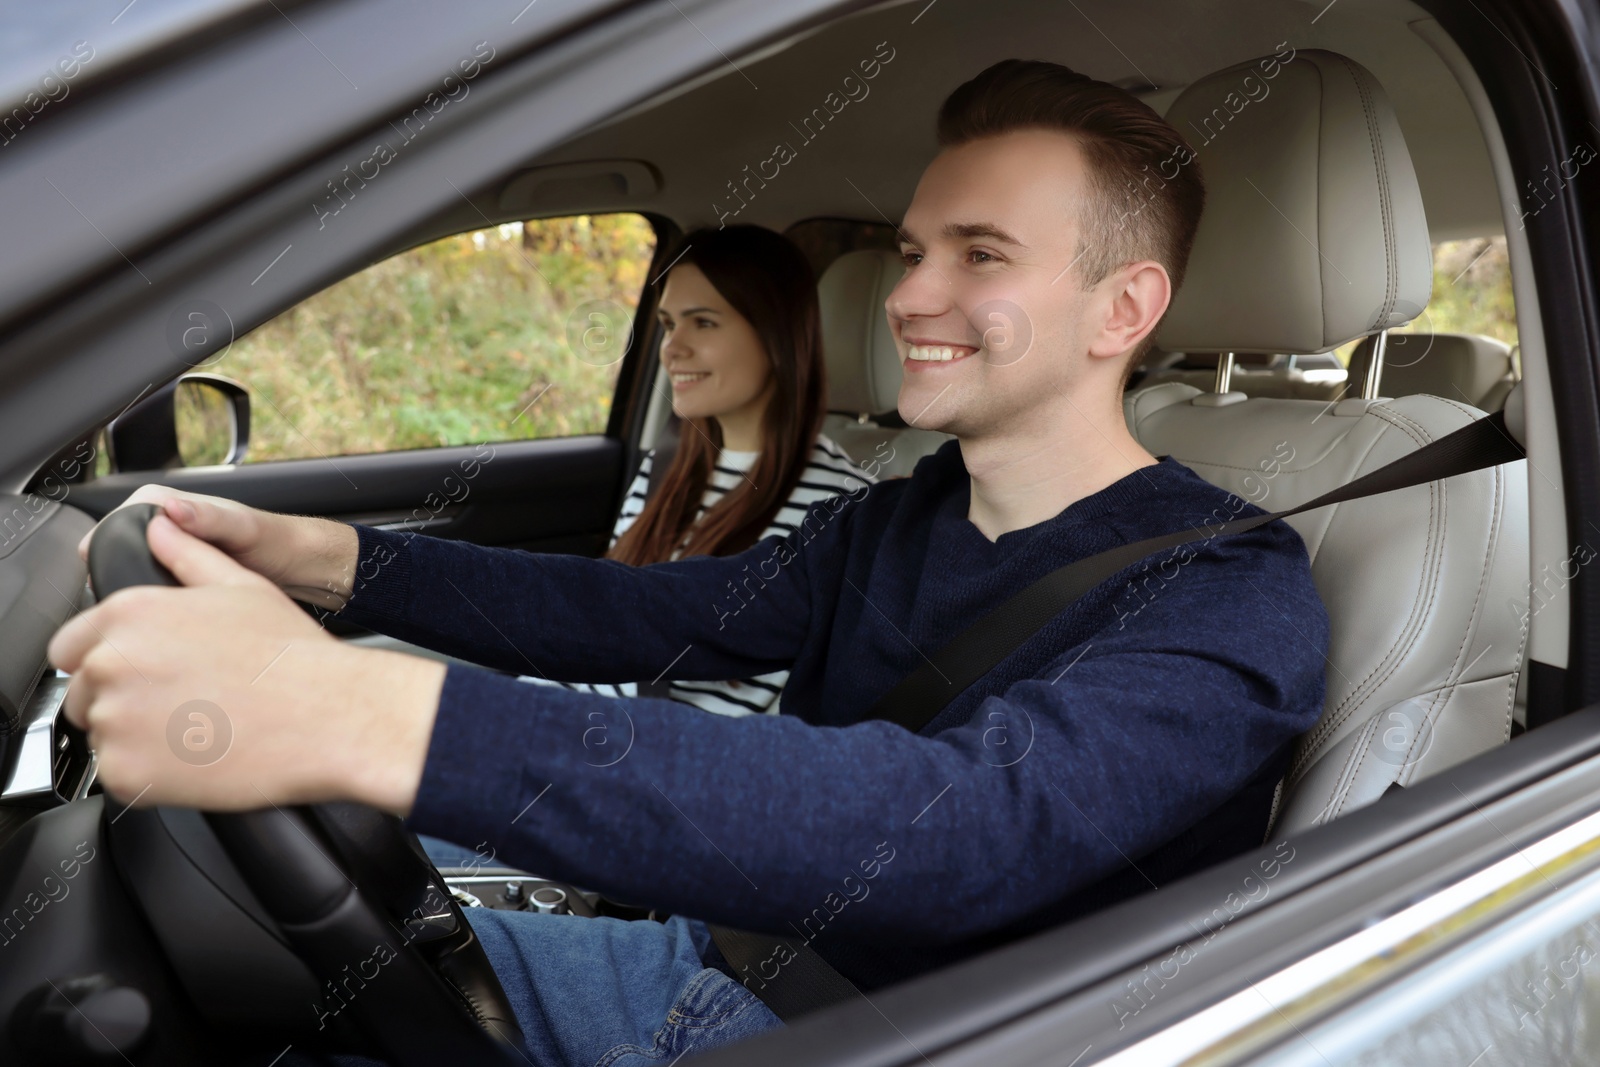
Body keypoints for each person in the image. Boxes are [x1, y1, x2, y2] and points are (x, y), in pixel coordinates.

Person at [52, 60, 1330, 1066]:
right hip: (704, 959)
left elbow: (956, 830)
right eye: (912, 248)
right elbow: (640, 615)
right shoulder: (905, 513)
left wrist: (352, 710)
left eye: (979, 255)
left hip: (869, 1035)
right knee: (217, 972)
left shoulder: (1229, 588)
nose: (907, 294)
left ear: (1122, 307)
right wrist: (328, 562)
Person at [524, 224, 876, 717]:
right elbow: (598, 620)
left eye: (704, 323)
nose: (672, 349)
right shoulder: (666, 467)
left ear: (776, 334)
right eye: (669, 324)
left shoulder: (847, 506)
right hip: (551, 718)